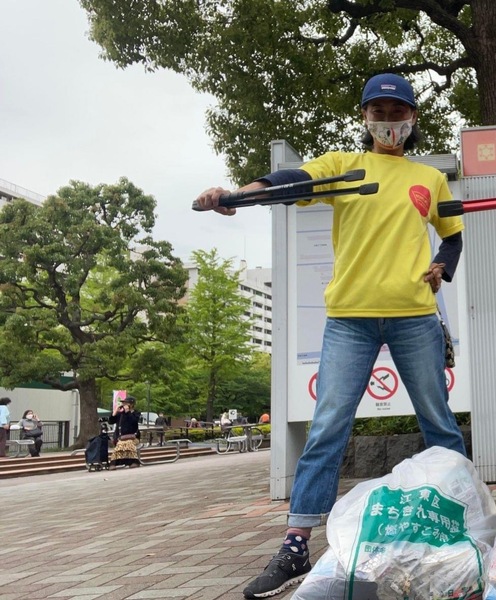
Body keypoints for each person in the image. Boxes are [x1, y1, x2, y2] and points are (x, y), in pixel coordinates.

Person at [194, 72, 467, 599]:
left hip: (414, 315)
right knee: (327, 428)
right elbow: (287, 181)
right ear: (365, 118)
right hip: (350, 319)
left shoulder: (429, 179)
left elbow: (452, 238)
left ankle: (456, 529)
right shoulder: (343, 166)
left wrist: (440, 265)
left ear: (412, 120)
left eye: (398, 113)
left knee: (440, 423)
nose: (389, 122)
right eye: (379, 112)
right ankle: (296, 545)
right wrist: (234, 195)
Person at [109, 396, 142, 467]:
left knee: (128, 443)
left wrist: (128, 412)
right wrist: (114, 413)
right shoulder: (121, 414)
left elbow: (133, 422)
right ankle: (113, 462)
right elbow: (111, 421)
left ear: (131, 404)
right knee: (120, 444)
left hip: (133, 437)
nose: (124, 405)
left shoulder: (136, 413)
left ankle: (134, 461)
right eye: (123, 403)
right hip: (121, 438)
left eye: (126, 403)